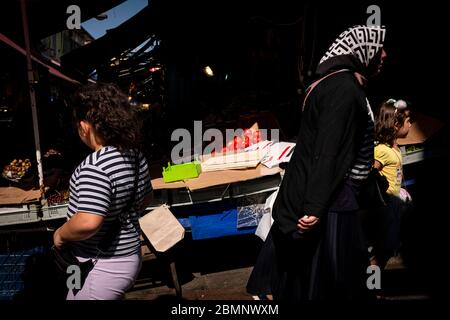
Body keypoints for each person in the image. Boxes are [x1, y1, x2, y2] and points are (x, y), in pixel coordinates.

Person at [247, 25, 387, 300]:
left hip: (331, 195)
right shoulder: (343, 89)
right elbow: (327, 150)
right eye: (379, 47)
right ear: (362, 51)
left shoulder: (337, 83)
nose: (384, 54)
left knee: (318, 277)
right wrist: (315, 205)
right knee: (332, 280)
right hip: (334, 199)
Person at [53, 82, 153, 300]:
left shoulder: (94, 167)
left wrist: (60, 234)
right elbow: (146, 198)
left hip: (102, 266)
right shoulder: (135, 155)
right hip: (129, 256)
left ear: (85, 127)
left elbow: (88, 222)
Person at [369, 99, 411, 269]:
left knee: (387, 249)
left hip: (394, 206)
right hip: (384, 207)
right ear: (395, 125)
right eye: (408, 121)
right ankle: (373, 289)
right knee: (379, 252)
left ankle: (374, 289)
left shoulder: (395, 149)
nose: (410, 124)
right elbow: (371, 171)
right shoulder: (382, 151)